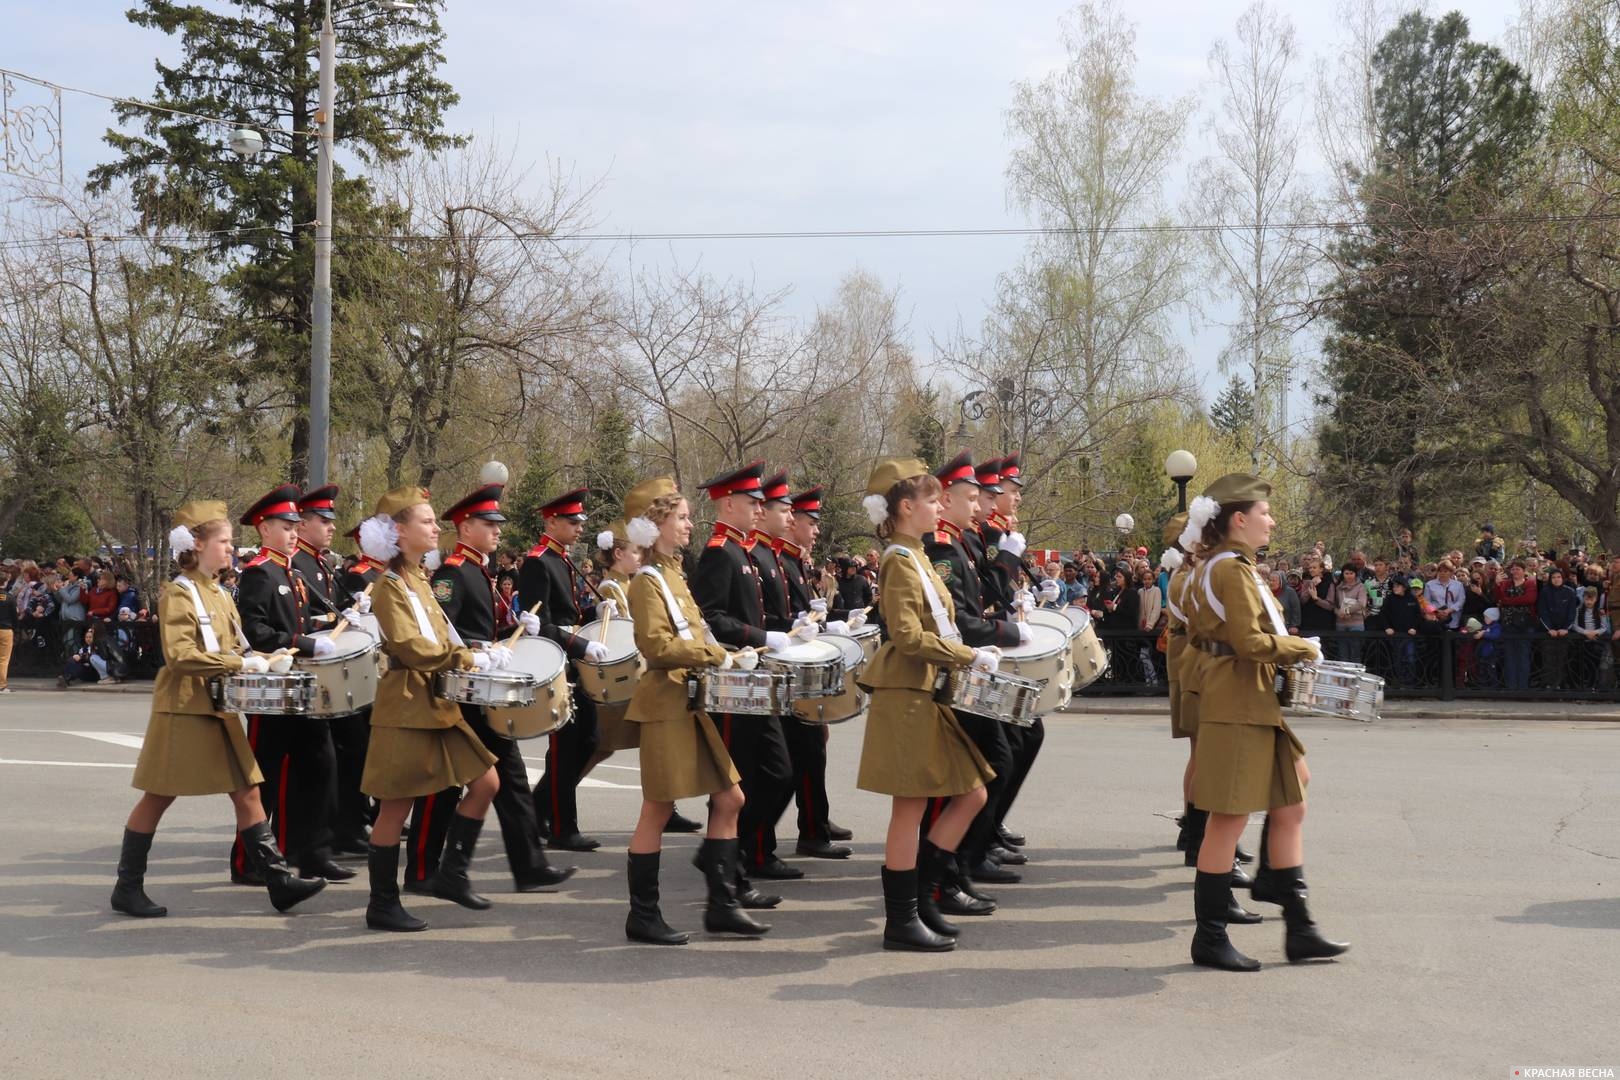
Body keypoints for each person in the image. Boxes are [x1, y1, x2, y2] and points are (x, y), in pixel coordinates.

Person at [112, 500, 327, 918]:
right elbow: (180, 655)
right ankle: (127, 886)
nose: (231, 549)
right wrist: (238, 663)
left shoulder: (220, 592)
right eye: (224, 541)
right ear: (197, 544)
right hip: (185, 709)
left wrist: (276, 654)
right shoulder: (178, 593)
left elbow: (239, 645)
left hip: (218, 706)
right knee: (158, 797)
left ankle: (278, 881)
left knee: (248, 792)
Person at [1185, 473, 1348, 971]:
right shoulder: (1229, 570)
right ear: (1239, 519)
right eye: (1264, 513)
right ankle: (1209, 938)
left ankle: (1296, 922)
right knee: (1228, 820)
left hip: (1249, 698)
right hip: (1237, 699)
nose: (1271, 521)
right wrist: (1303, 647)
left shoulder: (1233, 567)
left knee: (1292, 795)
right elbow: (1250, 644)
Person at [615, 478, 769, 944]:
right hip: (665, 703)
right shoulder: (646, 580)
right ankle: (643, 914)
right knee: (657, 809)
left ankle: (722, 906)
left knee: (731, 799)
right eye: (680, 517)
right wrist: (714, 656)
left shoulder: (673, 574)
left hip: (690, 699)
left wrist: (729, 651)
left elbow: (696, 632)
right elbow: (657, 646)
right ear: (656, 523)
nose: (688, 524)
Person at [855, 458, 996, 952]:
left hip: (926, 690)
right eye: (933, 499)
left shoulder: (913, 554)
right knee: (909, 810)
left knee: (971, 793)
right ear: (906, 507)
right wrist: (967, 653)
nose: (940, 506)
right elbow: (908, 635)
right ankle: (903, 919)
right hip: (908, 692)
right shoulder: (898, 559)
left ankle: (923, 899)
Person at [356, 486, 502, 932]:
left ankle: (451, 874)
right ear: (399, 532)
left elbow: (442, 637)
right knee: (395, 808)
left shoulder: (420, 579)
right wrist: (468, 659)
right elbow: (412, 647)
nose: (436, 527)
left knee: (486, 783)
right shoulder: (388, 585)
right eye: (427, 521)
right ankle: (382, 903)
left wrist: (481, 650)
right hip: (405, 704)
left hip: (436, 701)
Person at [424, 483, 577, 896]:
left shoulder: (479, 569)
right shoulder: (454, 572)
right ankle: (425, 869)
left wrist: (515, 628)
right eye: (489, 524)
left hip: (485, 691)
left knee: (510, 779)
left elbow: (485, 629)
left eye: (497, 524)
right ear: (466, 525)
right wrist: (481, 649)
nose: (497, 531)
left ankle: (528, 865)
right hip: (465, 691)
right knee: (450, 785)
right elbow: (444, 631)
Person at [228, 485, 350, 886]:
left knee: (319, 767)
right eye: (285, 526)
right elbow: (257, 631)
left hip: (301, 686)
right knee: (266, 777)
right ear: (264, 530)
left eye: (296, 525)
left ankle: (312, 852)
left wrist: (325, 625)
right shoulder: (260, 571)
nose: (294, 533)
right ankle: (250, 861)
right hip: (272, 689)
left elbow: (295, 622)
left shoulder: (291, 570)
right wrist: (304, 642)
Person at [690, 461, 797, 907]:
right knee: (740, 783)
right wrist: (762, 636)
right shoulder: (719, 552)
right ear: (728, 503)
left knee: (777, 775)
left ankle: (721, 858)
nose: (759, 508)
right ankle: (727, 871)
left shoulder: (744, 551)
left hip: (755, 680)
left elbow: (747, 614)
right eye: (752, 502)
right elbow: (711, 618)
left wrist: (785, 631)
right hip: (732, 682)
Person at [923, 452, 1025, 906]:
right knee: (979, 772)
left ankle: (956, 866)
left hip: (968, 667)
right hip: (956, 673)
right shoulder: (944, 548)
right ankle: (952, 867)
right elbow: (961, 621)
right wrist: (1007, 630)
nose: (980, 503)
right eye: (972, 496)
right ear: (945, 500)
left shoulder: (959, 543)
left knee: (1000, 758)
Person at [744, 470, 829, 877]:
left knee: (802, 753)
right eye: (788, 511)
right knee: (771, 768)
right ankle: (747, 850)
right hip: (763, 673)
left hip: (784, 669)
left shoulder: (773, 557)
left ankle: (756, 848)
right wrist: (777, 633)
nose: (793, 518)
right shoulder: (755, 556)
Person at [518, 487, 613, 852]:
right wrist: (582, 644)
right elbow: (537, 622)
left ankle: (537, 808)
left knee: (587, 740)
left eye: (579, 522)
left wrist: (596, 614)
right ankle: (561, 826)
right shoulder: (539, 561)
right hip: (558, 662)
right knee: (565, 746)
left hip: (574, 660)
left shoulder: (562, 558)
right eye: (571, 522)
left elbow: (567, 614)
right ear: (552, 521)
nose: (578, 528)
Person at [781, 483, 859, 857]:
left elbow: (804, 615)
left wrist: (841, 619)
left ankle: (816, 819)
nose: (815, 531)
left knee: (816, 745)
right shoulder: (779, 559)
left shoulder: (795, 560)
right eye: (810, 522)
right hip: (784, 671)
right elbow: (782, 620)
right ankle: (810, 829)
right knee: (803, 750)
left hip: (800, 666)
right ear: (791, 520)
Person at [1496, 560, 1538, 690]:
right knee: (1510, 656)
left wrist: (1507, 601)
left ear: (1524, 570)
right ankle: (1511, 687)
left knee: (1523, 655)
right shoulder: (1505, 584)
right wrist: (1497, 584)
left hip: (1525, 624)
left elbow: (1529, 599)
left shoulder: (1530, 583)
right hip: (1508, 623)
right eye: (1513, 569)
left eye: (1518, 569)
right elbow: (1498, 598)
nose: (1515, 571)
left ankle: (1523, 688)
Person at [1536, 567, 1578, 690]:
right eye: (1553, 577)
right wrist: (1549, 628)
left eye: (1558, 577)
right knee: (1548, 659)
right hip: (1549, 632)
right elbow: (1542, 611)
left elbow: (1572, 612)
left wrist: (1566, 628)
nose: (1556, 579)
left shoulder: (1569, 592)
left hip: (1564, 632)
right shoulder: (1545, 591)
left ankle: (1560, 685)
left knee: (1562, 659)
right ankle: (1548, 685)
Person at [1572, 587, 1611, 689]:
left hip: (1595, 642)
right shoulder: (1578, 610)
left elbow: (1604, 627)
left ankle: (1593, 686)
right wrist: (1585, 632)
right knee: (1582, 665)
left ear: (1596, 599)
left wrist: (1594, 633)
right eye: (1586, 599)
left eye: (1591, 599)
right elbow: (1574, 625)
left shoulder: (1600, 612)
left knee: (1595, 664)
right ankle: (1582, 687)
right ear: (1583, 598)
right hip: (1583, 641)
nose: (1588, 602)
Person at [1331, 567, 1368, 663]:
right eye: (1346, 573)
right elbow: (1334, 605)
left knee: (1355, 654)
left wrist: (1347, 611)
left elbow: (1361, 603)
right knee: (1343, 654)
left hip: (1356, 624)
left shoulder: (1361, 587)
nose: (1349, 576)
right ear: (1343, 574)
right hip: (1341, 624)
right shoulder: (1338, 587)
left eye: (1351, 573)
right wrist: (1338, 612)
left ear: (1355, 574)